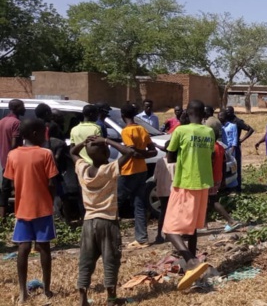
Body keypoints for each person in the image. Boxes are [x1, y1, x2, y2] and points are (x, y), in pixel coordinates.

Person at [1, 119, 61, 303]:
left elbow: (10, 184)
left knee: (23, 248)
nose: (45, 136)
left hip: (22, 209)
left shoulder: (13, 155)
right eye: (44, 132)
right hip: (43, 208)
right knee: (44, 248)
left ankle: (22, 293)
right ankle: (47, 290)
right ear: (35, 133)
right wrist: (51, 200)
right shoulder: (46, 154)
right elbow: (52, 183)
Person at [71, 135, 134, 306]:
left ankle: (83, 299)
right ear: (106, 153)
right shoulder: (108, 170)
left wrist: (84, 143)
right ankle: (111, 299)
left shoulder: (83, 169)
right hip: (108, 221)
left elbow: (72, 152)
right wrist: (106, 140)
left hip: (89, 221)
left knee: (86, 260)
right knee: (111, 259)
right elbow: (128, 152)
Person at [164, 100, 215, 290]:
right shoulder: (208, 132)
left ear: (187, 112)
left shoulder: (181, 130)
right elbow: (210, 155)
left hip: (185, 183)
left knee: (169, 229)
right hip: (203, 184)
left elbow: (170, 156)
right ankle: (191, 269)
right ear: (203, 114)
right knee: (192, 228)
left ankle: (190, 260)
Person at [118, 104, 157, 248]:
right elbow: (151, 151)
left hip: (129, 171)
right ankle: (142, 239)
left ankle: (112, 238)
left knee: (115, 203)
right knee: (139, 204)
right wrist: (144, 155)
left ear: (123, 116)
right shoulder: (142, 129)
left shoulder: (126, 131)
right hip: (142, 170)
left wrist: (138, 154)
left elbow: (131, 152)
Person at [226, 106, 255, 194]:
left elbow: (250, 129)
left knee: (236, 166)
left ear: (232, 112)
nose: (227, 114)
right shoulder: (227, 121)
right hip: (228, 147)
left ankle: (237, 188)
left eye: (228, 112)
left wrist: (241, 140)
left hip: (236, 147)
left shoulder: (237, 121)